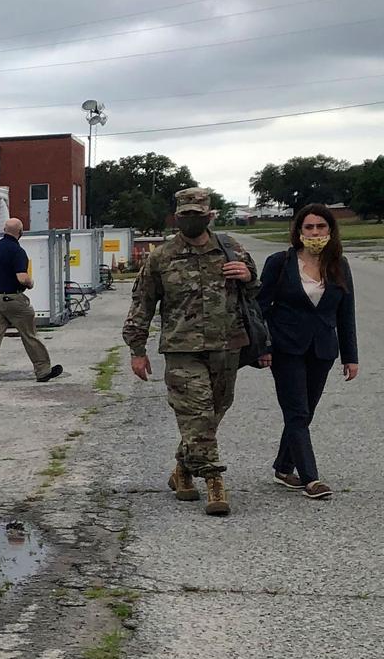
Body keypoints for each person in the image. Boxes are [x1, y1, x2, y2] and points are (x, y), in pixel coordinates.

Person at [123, 186, 265, 516]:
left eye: (197, 216)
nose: (191, 221)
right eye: (185, 216)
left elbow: (255, 291)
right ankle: (214, 479)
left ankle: (182, 471)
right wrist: (136, 348)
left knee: (211, 415)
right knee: (197, 416)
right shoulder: (162, 257)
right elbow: (142, 303)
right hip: (181, 349)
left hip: (227, 346)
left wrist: (246, 275)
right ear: (176, 218)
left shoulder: (231, 249)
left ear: (209, 216)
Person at [259, 204, 359, 499]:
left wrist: (350, 356)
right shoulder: (280, 262)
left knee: (305, 412)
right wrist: (263, 347)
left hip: (322, 350)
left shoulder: (339, 265)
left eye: (321, 227)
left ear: (330, 230)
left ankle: (283, 466)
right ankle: (311, 479)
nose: (315, 233)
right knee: (297, 411)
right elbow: (260, 307)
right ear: (299, 231)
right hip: (286, 347)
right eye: (309, 227)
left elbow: (346, 313)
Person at [0, 217, 62, 387]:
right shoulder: (17, 251)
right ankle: (43, 370)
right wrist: (31, 282)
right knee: (29, 334)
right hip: (11, 299)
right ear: (20, 232)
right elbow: (22, 278)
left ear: (4, 230)